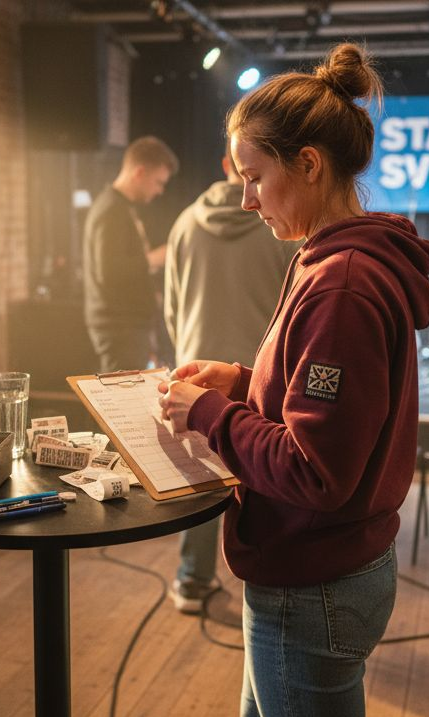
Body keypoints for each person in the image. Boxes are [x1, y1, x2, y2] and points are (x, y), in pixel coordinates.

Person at [157, 43, 429, 717]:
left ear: (309, 164)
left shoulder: (343, 281)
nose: (246, 198)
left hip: (313, 581)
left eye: (255, 178)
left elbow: (315, 469)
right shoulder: (333, 258)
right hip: (327, 567)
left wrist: (208, 415)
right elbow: (331, 404)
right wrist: (240, 381)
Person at [164, 148, 298, 614]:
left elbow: (172, 306)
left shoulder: (184, 223)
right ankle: (263, 591)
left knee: (202, 479)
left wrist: (186, 354)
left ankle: (192, 580)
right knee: (264, 477)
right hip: (257, 372)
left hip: (196, 369)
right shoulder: (283, 227)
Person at [83, 136, 180, 372]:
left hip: (128, 327)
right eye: (158, 182)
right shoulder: (111, 210)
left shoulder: (120, 207)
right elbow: (110, 272)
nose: (159, 191)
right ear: (139, 172)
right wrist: (155, 258)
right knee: (117, 403)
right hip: (120, 328)